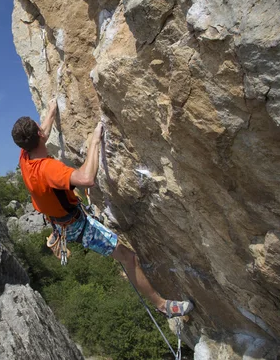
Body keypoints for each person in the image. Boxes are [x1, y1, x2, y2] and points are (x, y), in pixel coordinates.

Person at [11, 99, 193, 318]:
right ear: (37, 134)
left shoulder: (26, 158)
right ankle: (162, 306)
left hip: (61, 221)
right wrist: (94, 143)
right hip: (77, 226)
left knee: (124, 253)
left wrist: (51, 112)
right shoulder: (48, 170)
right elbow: (87, 179)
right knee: (128, 257)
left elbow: (44, 133)